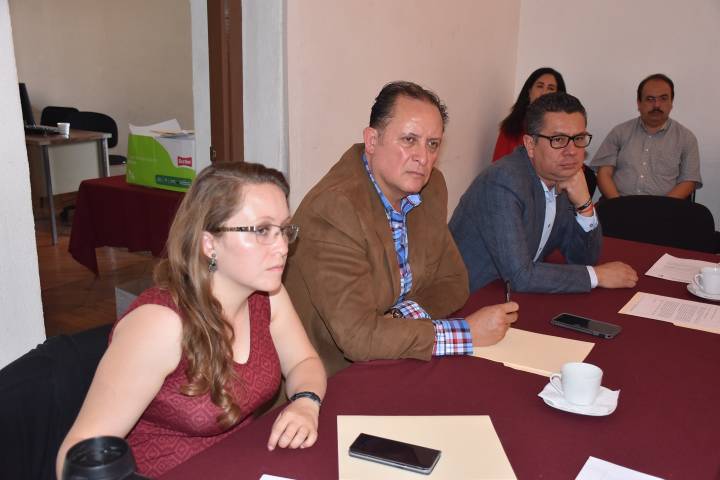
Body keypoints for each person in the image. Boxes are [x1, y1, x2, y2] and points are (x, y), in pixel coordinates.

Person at [57, 162, 327, 478]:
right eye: (262, 231)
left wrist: (306, 402)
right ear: (209, 244)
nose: (282, 247)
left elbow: (303, 362)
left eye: (284, 229)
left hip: (240, 465)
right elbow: (77, 454)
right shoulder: (161, 325)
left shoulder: (266, 294)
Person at [284, 81, 519, 376]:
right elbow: (358, 338)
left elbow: (454, 282)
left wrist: (396, 318)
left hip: (395, 356)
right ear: (372, 141)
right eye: (409, 140)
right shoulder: (334, 209)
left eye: (432, 144)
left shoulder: (431, 189)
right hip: (329, 375)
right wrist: (464, 334)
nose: (423, 157)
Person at [450, 92, 638, 293]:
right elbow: (520, 276)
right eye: (558, 139)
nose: (572, 151)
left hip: (513, 294)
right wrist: (596, 276)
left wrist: (584, 205)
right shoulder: (503, 181)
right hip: (470, 297)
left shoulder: (563, 178)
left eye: (578, 138)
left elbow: (582, 259)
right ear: (530, 145)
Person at [590, 73, 702, 199]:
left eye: (663, 98)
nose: (657, 105)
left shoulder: (686, 138)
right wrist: (618, 204)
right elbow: (604, 173)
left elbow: (688, 181)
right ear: (639, 103)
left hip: (666, 206)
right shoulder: (619, 132)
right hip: (620, 202)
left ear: (671, 102)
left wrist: (664, 207)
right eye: (650, 99)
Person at [492, 67, 566, 161]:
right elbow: (498, 165)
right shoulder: (511, 128)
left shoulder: (566, 130)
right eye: (540, 86)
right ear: (529, 92)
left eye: (550, 88)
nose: (544, 92)